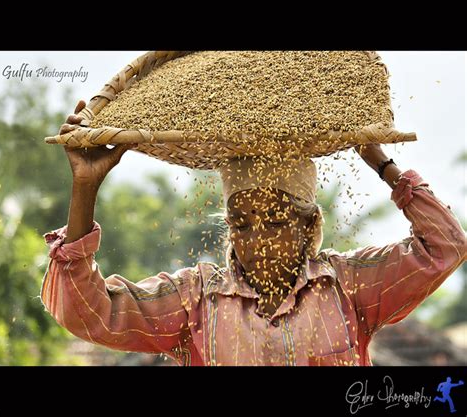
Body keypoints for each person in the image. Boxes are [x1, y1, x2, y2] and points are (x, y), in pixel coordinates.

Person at [41, 100, 466, 366]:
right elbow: (88, 311)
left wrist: (381, 164)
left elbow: (446, 244)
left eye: (276, 222)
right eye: (240, 224)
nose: (257, 239)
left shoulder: (348, 286)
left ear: (308, 225)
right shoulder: (196, 300)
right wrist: (85, 189)